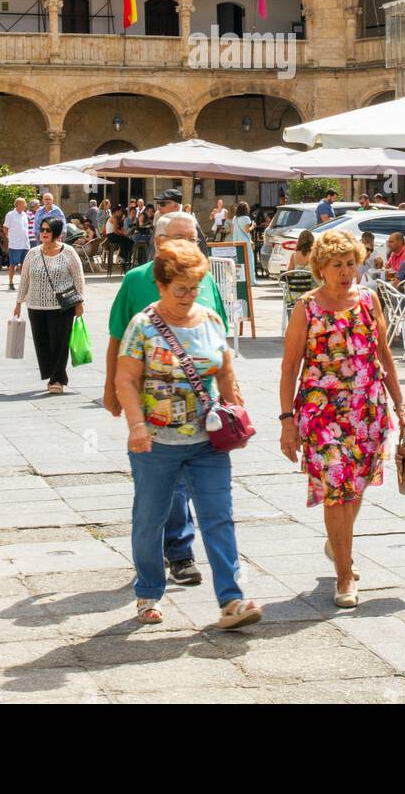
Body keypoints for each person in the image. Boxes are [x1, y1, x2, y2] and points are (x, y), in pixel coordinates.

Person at [115, 239, 261, 629]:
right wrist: (136, 424)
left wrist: (236, 411)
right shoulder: (143, 326)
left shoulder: (210, 320)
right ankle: (148, 592)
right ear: (161, 286)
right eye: (180, 288)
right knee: (150, 519)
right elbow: (125, 379)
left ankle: (231, 600)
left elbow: (225, 371)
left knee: (219, 517)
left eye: (194, 287)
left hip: (207, 443)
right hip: (155, 443)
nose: (188, 295)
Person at [279, 229, 405, 608]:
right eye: (337, 264)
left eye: (351, 263)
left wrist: (400, 403)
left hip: (368, 408)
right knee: (337, 485)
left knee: (356, 486)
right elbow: (289, 367)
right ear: (321, 267)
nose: (346, 271)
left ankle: (338, 541)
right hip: (322, 411)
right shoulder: (307, 306)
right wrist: (287, 420)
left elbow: (384, 355)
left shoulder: (369, 300)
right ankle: (344, 572)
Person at [104, 210, 229, 587]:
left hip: (200, 409)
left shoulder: (204, 281)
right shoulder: (135, 281)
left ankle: (186, 557)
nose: (189, 245)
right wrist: (110, 389)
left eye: (194, 239)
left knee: (197, 493)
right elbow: (115, 338)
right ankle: (178, 553)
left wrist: (230, 396)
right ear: (158, 243)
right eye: (180, 238)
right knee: (166, 490)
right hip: (153, 409)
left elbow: (220, 343)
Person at [14, 215, 85, 394]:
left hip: (62, 307)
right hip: (35, 306)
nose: (44, 233)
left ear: (56, 233)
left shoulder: (68, 252)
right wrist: (18, 303)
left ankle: (57, 379)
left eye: (48, 230)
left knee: (59, 344)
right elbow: (24, 280)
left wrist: (81, 302)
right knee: (42, 343)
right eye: (42, 229)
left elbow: (79, 278)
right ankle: (53, 374)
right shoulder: (33, 253)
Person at [148, 189, 209, 257]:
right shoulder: (159, 225)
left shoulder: (190, 225)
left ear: (176, 206)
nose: (158, 208)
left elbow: (203, 254)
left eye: (162, 204)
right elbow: (152, 254)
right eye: (158, 204)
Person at [3, 197, 31, 292]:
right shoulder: (10, 215)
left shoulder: (24, 215)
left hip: (25, 244)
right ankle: (11, 282)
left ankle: (23, 283)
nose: (26, 205)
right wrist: (9, 238)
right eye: (24, 203)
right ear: (18, 204)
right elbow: (5, 228)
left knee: (25, 264)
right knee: (13, 264)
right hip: (15, 244)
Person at [231, 200, 257, 288]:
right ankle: (251, 281)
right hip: (245, 242)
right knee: (249, 261)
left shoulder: (235, 218)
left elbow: (232, 231)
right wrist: (253, 226)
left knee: (239, 262)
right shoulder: (246, 218)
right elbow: (247, 230)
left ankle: (240, 279)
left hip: (236, 242)